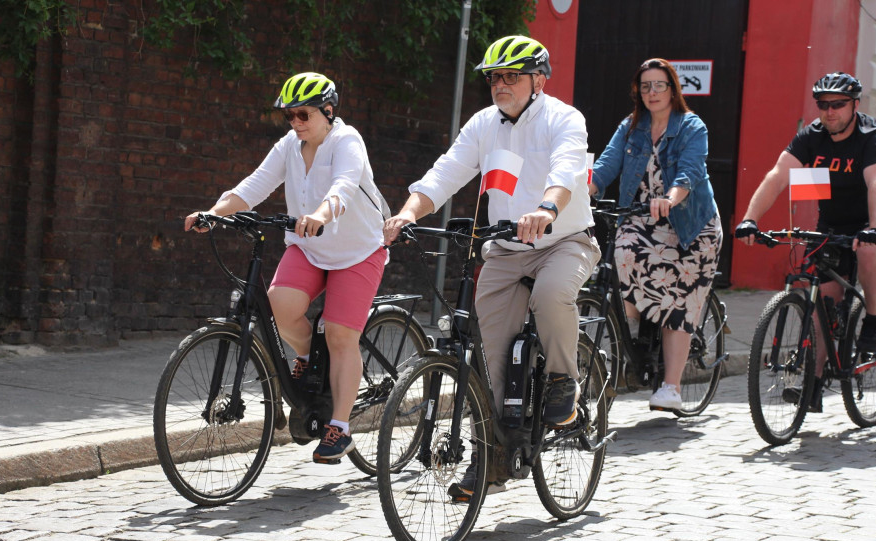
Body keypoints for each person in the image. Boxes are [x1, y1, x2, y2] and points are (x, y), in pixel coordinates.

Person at [383, 35, 599, 502]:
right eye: (495, 77)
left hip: (564, 239)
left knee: (551, 295)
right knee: (493, 349)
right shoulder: (484, 125)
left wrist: (546, 208)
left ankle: (563, 379)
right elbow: (446, 172)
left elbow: (566, 172)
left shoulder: (564, 118)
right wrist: (407, 213)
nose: (501, 84)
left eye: (511, 76)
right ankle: (495, 454)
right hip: (505, 247)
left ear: (538, 80)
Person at [184, 72, 388, 465]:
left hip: (358, 250)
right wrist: (214, 212)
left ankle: (340, 428)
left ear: (328, 111)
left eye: (303, 115)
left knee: (342, 334)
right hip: (310, 247)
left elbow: (344, 187)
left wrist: (320, 214)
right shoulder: (290, 146)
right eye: (289, 116)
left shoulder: (347, 141)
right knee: (278, 305)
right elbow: (254, 185)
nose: (295, 123)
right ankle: (313, 359)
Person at [735, 71, 876, 412]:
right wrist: (750, 219)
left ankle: (873, 324)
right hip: (832, 220)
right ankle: (811, 385)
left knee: (870, 253)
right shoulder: (812, 136)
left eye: (839, 105)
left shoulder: (873, 136)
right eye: (823, 105)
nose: (830, 112)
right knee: (823, 301)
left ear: (855, 105)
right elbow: (778, 175)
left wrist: (873, 228)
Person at [589, 58, 722, 412]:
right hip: (642, 219)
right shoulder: (631, 127)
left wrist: (669, 200)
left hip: (690, 225)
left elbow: (689, 174)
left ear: (672, 89)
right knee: (622, 252)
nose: (652, 92)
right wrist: (576, 192)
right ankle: (631, 338)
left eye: (659, 85)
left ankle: (672, 387)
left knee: (678, 293)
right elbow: (604, 167)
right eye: (645, 86)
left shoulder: (691, 126)